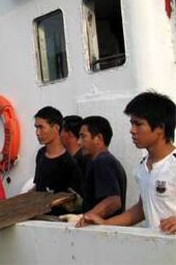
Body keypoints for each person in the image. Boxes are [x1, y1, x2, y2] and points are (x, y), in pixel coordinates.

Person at [83, 92, 176, 234]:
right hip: (155, 250)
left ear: (160, 128)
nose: (132, 130)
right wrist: (105, 223)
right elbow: (141, 209)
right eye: (132, 124)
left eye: (138, 124)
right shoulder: (143, 167)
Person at [69, 116, 127, 226]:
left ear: (99, 138)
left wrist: (84, 218)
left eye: (83, 137)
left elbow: (114, 201)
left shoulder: (102, 162)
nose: (79, 142)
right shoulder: (107, 161)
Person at [33, 107, 83, 201]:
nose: (37, 133)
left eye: (41, 127)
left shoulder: (70, 160)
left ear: (56, 128)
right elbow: (38, 187)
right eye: (36, 128)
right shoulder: (41, 154)